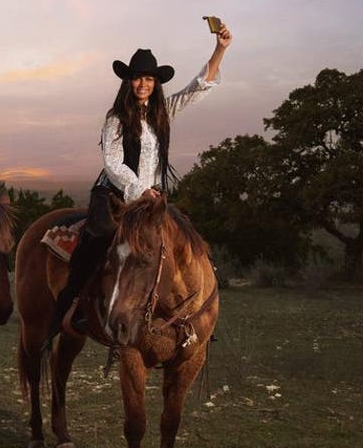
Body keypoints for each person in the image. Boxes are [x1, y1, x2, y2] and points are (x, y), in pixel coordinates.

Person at [48, 22, 233, 342]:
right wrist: (138, 189)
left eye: (148, 78)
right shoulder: (116, 118)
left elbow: (197, 87)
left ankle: (189, 313)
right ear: (128, 82)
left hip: (152, 198)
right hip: (115, 195)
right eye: (138, 78)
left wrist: (220, 49)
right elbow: (113, 162)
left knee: (185, 242)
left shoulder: (163, 111)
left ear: (155, 83)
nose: (143, 84)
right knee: (98, 238)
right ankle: (75, 306)